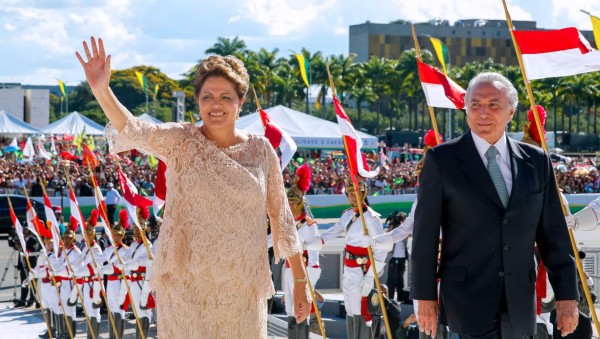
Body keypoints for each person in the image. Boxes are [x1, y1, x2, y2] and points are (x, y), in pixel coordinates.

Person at [76, 36, 310, 338]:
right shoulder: (180, 141)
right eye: (207, 97)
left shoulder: (262, 150)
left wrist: (300, 282)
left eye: (226, 97)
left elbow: (282, 218)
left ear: (240, 104)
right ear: (197, 101)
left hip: (241, 287)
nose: (216, 105)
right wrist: (101, 90)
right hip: (186, 285)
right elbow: (134, 129)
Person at [411, 72, 579, 338]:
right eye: (475, 104)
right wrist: (424, 297)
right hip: (465, 304)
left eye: (493, 105)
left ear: (510, 111)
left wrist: (568, 295)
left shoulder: (536, 161)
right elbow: (424, 237)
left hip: (520, 305)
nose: (483, 113)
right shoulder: (442, 160)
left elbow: (554, 235)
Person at [309, 177, 386, 339]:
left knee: (361, 312)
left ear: (364, 193)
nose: (352, 196)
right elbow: (332, 232)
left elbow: (382, 249)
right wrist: (311, 242)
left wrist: (370, 276)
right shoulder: (347, 216)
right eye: (350, 193)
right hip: (348, 268)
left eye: (356, 193)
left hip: (362, 269)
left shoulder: (371, 218)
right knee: (350, 311)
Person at [97, 212, 129, 339]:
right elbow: (100, 258)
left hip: (119, 282)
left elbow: (117, 268)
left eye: (119, 235)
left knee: (120, 311)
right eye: (114, 234)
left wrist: (102, 269)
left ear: (122, 236)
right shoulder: (109, 249)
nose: (116, 237)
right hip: (110, 283)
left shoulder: (126, 250)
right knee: (111, 310)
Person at [385, 211, 408, 303]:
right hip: (393, 258)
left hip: (402, 258)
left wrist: (402, 225)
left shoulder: (404, 229)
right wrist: (392, 224)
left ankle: (400, 299)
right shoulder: (393, 229)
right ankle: (390, 299)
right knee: (391, 280)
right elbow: (388, 235)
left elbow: (409, 233)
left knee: (400, 280)